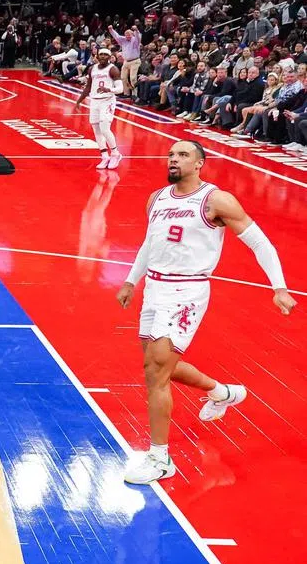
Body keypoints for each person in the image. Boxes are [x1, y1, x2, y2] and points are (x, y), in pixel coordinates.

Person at [117, 141, 295, 484]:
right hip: (154, 287)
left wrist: (279, 287)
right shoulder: (156, 198)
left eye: (182, 155)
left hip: (186, 290)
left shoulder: (216, 200)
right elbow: (149, 243)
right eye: (170, 154)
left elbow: (260, 242)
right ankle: (221, 392)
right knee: (160, 365)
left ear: (199, 163)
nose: (173, 159)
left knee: (155, 371)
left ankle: (160, 459)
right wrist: (130, 280)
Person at [74, 47, 123, 170]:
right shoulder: (92, 68)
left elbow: (121, 89)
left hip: (107, 100)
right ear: (97, 56)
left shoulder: (113, 69)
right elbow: (89, 86)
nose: (102, 56)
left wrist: (109, 89)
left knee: (105, 128)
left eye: (105, 55)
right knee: (96, 130)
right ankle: (104, 156)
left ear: (109, 57)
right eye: (100, 54)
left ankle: (116, 154)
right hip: (94, 101)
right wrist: (79, 100)